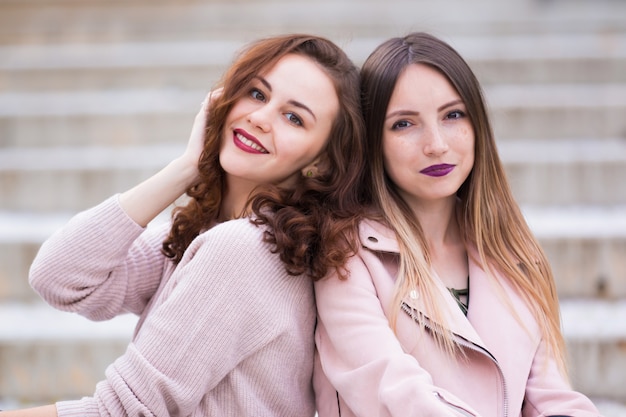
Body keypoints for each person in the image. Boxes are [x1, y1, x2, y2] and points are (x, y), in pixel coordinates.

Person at [2, 33, 366, 417]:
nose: (259, 118)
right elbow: (59, 277)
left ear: (321, 162)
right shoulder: (218, 233)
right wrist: (186, 167)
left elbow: (122, 412)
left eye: (294, 118)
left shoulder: (244, 250)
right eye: (257, 94)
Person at [313, 32, 602, 417]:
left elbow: (553, 400)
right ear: (372, 141)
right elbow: (395, 392)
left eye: (453, 115)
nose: (436, 144)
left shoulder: (511, 255)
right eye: (403, 124)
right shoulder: (347, 255)